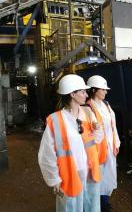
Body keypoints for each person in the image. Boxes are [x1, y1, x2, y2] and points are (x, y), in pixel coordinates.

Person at [38, 74, 101, 212]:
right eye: (83, 92)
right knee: (71, 208)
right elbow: (46, 154)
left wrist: (97, 131)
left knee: (92, 206)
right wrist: (54, 179)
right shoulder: (55, 120)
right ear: (72, 94)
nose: (86, 95)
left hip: (90, 171)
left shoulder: (87, 113)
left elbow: (96, 140)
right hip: (70, 174)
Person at [86, 75, 120, 212]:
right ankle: (98, 204)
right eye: (103, 89)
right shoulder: (88, 107)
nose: (106, 92)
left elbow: (113, 126)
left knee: (109, 175)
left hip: (110, 147)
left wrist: (116, 142)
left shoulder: (106, 105)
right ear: (94, 90)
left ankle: (105, 201)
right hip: (97, 149)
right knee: (97, 176)